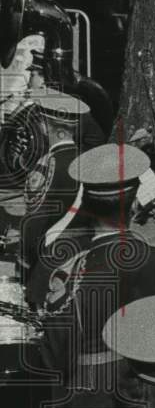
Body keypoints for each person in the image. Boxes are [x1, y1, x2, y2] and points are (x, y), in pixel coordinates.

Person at [37, 144, 155, 408]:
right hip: (152, 399)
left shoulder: (69, 272)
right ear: (133, 204)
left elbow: (53, 356)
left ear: (86, 206)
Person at [18, 92, 89, 289]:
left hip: (49, 258)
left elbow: (34, 221)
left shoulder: (50, 164)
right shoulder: (88, 159)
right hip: (82, 254)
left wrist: (25, 265)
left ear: (43, 126)